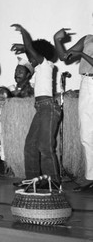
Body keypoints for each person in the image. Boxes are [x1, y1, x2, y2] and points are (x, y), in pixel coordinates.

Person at [11, 23, 60, 187]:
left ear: (40, 55)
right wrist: (24, 48)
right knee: (30, 145)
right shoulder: (40, 68)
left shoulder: (45, 64)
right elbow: (31, 51)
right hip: (41, 108)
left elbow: (32, 50)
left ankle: (53, 182)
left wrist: (24, 33)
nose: (30, 60)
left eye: (31, 55)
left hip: (48, 107)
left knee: (46, 147)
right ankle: (32, 180)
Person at [54, 27, 93, 192]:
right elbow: (65, 56)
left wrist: (83, 54)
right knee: (86, 132)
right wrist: (57, 40)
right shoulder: (88, 39)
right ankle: (90, 176)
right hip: (88, 83)